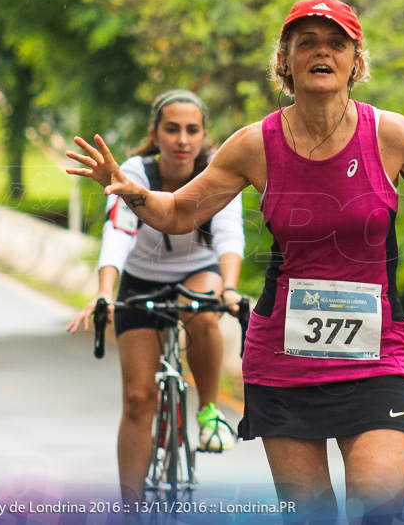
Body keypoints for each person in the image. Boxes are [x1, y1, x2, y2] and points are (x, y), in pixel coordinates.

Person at [66, 0, 404, 522]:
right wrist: (128, 190)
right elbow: (176, 214)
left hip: (376, 358)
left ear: (356, 62)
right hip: (284, 364)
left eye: (337, 43)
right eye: (306, 43)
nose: (322, 52)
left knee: (379, 508)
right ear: (284, 62)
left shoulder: (389, 135)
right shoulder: (254, 145)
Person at [66, 89, 245, 504]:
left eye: (192, 130)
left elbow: (229, 233)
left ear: (203, 136)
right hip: (141, 280)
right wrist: (105, 293)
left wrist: (231, 289)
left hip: (199, 274)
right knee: (137, 398)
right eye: (172, 130)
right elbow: (118, 232)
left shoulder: (217, 170)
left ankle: (208, 412)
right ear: (155, 134)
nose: (182, 139)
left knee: (201, 312)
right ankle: (130, 508)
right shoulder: (135, 173)